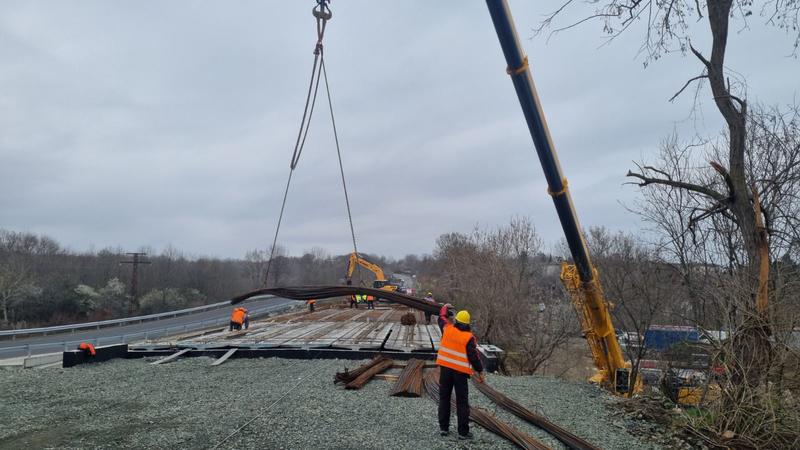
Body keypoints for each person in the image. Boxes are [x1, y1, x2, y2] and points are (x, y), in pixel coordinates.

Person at [436, 303, 485, 440]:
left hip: (445, 371)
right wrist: (480, 371)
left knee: (444, 398)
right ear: (468, 324)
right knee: (462, 402)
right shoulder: (469, 337)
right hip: (460, 374)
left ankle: (444, 428)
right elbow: (474, 357)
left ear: (456, 320)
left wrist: (445, 306)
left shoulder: (447, 328)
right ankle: (463, 432)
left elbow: (441, 316)